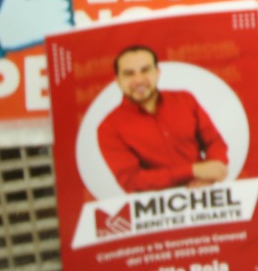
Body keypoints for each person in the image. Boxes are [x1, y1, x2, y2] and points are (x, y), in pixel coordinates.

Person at [97, 46, 229, 193]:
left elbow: (214, 141)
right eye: (129, 74)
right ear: (118, 80)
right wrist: (192, 171)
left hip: (205, 193)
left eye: (145, 70)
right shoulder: (108, 127)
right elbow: (131, 180)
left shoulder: (185, 100)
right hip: (155, 204)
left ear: (157, 72)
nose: (138, 80)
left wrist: (210, 175)